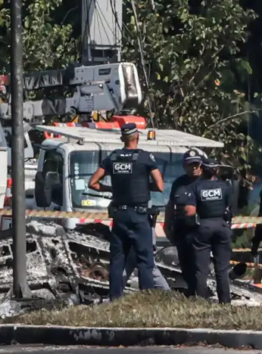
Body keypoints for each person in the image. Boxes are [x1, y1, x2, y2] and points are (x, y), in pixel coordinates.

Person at [88, 122, 164, 300]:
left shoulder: (112, 158)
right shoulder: (145, 158)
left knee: (117, 260)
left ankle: (115, 299)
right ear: (137, 137)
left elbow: (93, 183)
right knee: (145, 260)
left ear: (123, 138)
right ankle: (147, 299)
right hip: (139, 216)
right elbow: (160, 186)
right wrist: (144, 186)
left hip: (119, 216)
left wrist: (110, 189)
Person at [183, 158, 233, 303]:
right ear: (217, 170)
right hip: (222, 226)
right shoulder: (225, 186)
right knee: (222, 269)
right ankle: (225, 302)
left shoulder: (196, 187)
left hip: (204, 226)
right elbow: (230, 209)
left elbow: (189, 211)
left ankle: (201, 302)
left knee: (201, 270)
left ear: (202, 169)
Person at [165, 149, 205, 296]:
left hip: (199, 230)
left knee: (199, 265)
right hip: (181, 229)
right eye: (190, 165)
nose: (194, 168)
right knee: (185, 263)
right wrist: (167, 225)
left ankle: (200, 293)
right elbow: (171, 205)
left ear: (201, 165)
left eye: (196, 164)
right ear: (184, 166)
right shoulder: (179, 183)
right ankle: (190, 291)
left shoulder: (207, 182)